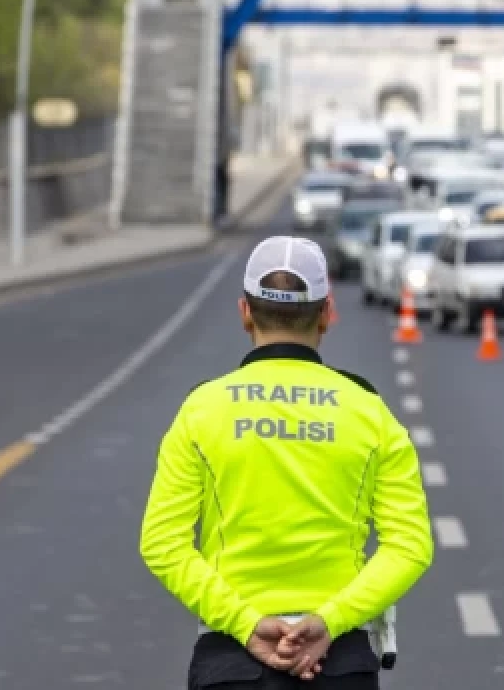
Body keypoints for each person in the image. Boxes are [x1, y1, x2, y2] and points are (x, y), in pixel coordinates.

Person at [140, 236, 434, 689]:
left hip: (231, 664)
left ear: (245, 312)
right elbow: (409, 546)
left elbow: (162, 543)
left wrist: (244, 623)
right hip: (340, 662)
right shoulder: (369, 412)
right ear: (326, 314)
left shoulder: (202, 410)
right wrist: (330, 620)